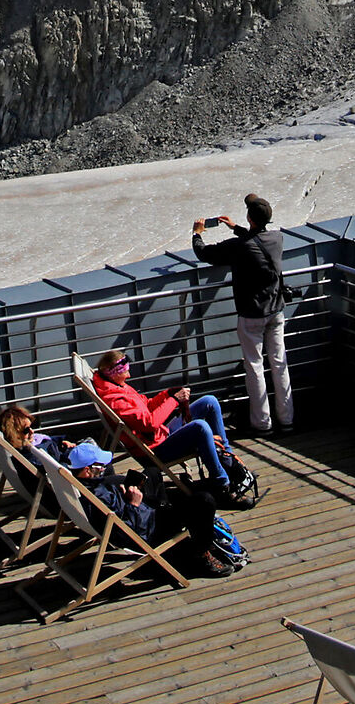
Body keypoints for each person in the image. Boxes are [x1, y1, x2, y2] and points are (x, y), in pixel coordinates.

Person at [87, 351, 255, 505]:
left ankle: (228, 462)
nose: (129, 375)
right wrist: (174, 400)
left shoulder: (117, 386)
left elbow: (146, 404)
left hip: (161, 434)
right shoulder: (115, 399)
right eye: (125, 372)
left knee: (209, 402)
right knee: (200, 427)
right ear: (113, 372)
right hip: (155, 450)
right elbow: (149, 423)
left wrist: (168, 394)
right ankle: (222, 485)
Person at [192, 196, 295, 436]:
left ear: (250, 218)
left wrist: (197, 234)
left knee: (255, 366)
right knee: (280, 365)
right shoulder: (277, 239)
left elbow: (206, 254)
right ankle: (287, 420)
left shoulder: (239, 247)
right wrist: (236, 228)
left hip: (251, 314)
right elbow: (255, 240)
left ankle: (262, 424)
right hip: (276, 309)